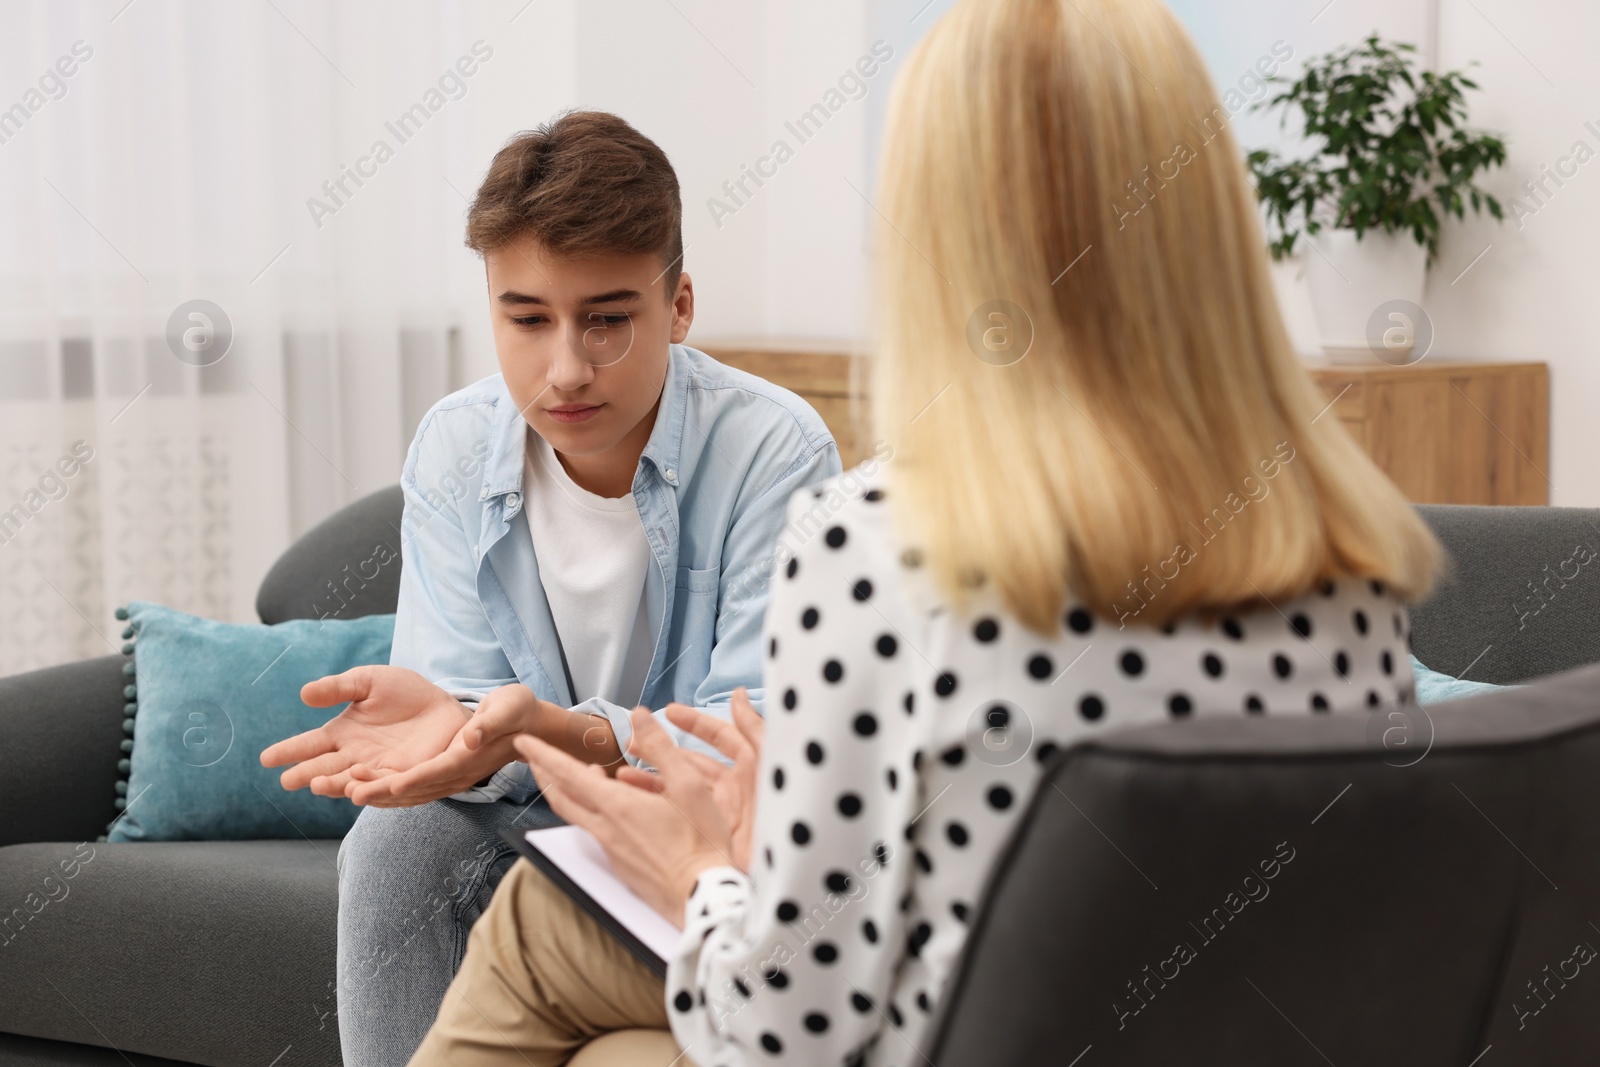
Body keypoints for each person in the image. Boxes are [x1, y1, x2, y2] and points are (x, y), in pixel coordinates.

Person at [406, 0, 1442, 1064]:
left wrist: (704, 870)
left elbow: (793, 1023)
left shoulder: (876, 547)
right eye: (527, 316)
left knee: (537, 926)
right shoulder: (1344, 553)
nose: (566, 362)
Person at [259, 111, 841, 1067]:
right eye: (526, 319)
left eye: (608, 319)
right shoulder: (454, 444)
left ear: (680, 305)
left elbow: (760, 738)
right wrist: (453, 721)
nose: (566, 368)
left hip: (718, 831)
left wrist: (551, 730)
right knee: (394, 845)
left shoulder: (774, 450)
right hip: (535, 793)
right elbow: (466, 716)